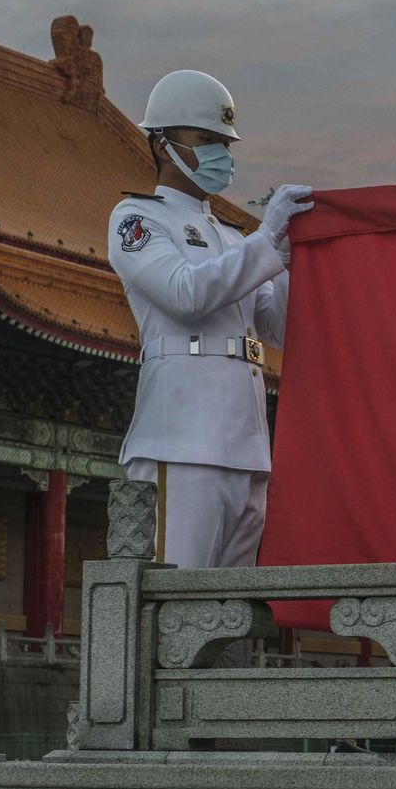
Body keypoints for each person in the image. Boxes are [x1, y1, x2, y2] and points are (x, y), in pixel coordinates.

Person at [109, 70, 314, 570]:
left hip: (244, 444)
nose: (221, 153)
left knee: (228, 610)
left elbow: (276, 330)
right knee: (175, 604)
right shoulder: (138, 219)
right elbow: (185, 294)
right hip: (181, 442)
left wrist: (291, 260)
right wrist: (265, 244)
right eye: (206, 140)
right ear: (162, 145)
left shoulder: (230, 234)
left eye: (225, 142)